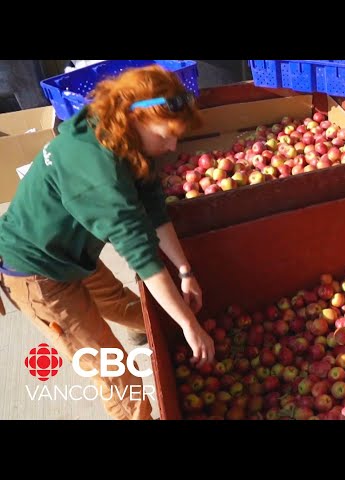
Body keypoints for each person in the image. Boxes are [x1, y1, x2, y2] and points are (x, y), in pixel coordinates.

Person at [0, 65, 215, 420]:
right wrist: (190, 325)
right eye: (166, 135)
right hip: (37, 271)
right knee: (118, 376)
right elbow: (141, 254)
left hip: (73, 250)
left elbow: (154, 209)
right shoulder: (97, 171)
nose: (173, 145)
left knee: (128, 307)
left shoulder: (122, 131)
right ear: (138, 118)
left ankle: (167, 339)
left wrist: (185, 270)